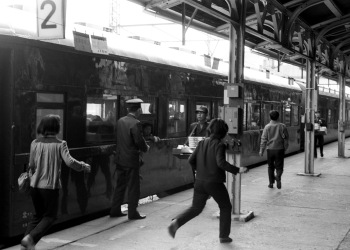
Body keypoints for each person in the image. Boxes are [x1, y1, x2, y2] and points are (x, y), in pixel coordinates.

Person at [168, 118, 249, 243]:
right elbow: (221, 163)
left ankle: (177, 222)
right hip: (214, 182)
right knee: (225, 206)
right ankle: (224, 236)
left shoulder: (201, 143)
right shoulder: (220, 145)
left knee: (196, 208)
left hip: (200, 181)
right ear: (223, 132)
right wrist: (238, 170)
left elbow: (190, 160)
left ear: (210, 129)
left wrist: (199, 171)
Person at [21, 115, 91, 250]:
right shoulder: (61, 144)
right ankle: (30, 238)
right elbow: (69, 162)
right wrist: (83, 166)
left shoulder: (34, 143)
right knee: (50, 216)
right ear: (56, 127)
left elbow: (31, 164)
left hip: (34, 185)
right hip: (49, 187)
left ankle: (26, 245)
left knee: (37, 215)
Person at [110, 98, 150, 220]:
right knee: (133, 187)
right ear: (138, 110)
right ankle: (133, 213)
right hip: (131, 161)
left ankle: (115, 210)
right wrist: (146, 147)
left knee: (120, 185)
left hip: (120, 159)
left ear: (128, 109)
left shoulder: (120, 121)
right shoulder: (136, 123)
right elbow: (138, 141)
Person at [259, 110, 289, 189]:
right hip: (279, 149)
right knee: (279, 167)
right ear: (278, 117)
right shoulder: (282, 126)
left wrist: (261, 150)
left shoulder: (267, 127)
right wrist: (285, 148)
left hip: (270, 150)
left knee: (270, 167)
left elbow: (263, 139)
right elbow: (286, 138)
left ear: (270, 117)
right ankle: (278, 176)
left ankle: (271, 183)